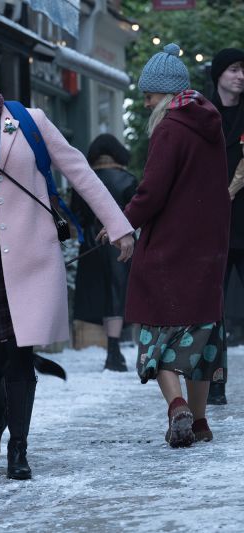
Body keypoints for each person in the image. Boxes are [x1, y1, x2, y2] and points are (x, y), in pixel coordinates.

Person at [0, 39, 134, 480]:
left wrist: (119, 225)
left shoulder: (28, 122)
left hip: (29, 260)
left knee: (19, 358)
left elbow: (79, 171)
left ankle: (18, 449)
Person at [122, 43, 230, 448]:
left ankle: (177, 406)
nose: (146, 100)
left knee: (158, 335)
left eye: (148, 94)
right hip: (208, 248)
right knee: (200, 340)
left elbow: (152, 192)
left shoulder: (170, 126)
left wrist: (122, 221)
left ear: (164, 93)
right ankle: (200, 422)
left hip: (169, 248)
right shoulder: (210, 123)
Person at [70, 134, 138, 372]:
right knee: (117, 294)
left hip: (91, 244)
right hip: (122, 242)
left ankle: (112, 351)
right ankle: (114, 349)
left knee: (99, 293)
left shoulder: (82, 180)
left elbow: (74, 216)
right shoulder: (129, 180)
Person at [207, 47, 244, 405]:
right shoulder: (204, 111)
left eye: (243, 70)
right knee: (211, 307)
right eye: (234, 69)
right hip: (212, 221)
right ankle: (215, 381)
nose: (240, 76)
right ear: (219, 73)